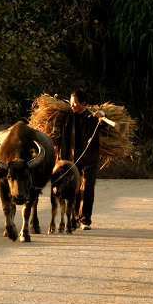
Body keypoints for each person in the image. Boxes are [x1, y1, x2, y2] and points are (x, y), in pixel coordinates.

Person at [62, 89, 105, 230]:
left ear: (83, 103)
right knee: (73, 190)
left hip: (90, 160)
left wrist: (103, 115)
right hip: (72, 161)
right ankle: (74, 218)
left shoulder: (92, 119)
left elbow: (104, 124)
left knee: (87, 189)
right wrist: (63, 161)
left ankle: (85, 220)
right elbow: (64, 142)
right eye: (71, 103)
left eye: (75, 103)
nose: (72, 105)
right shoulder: (68, 119)